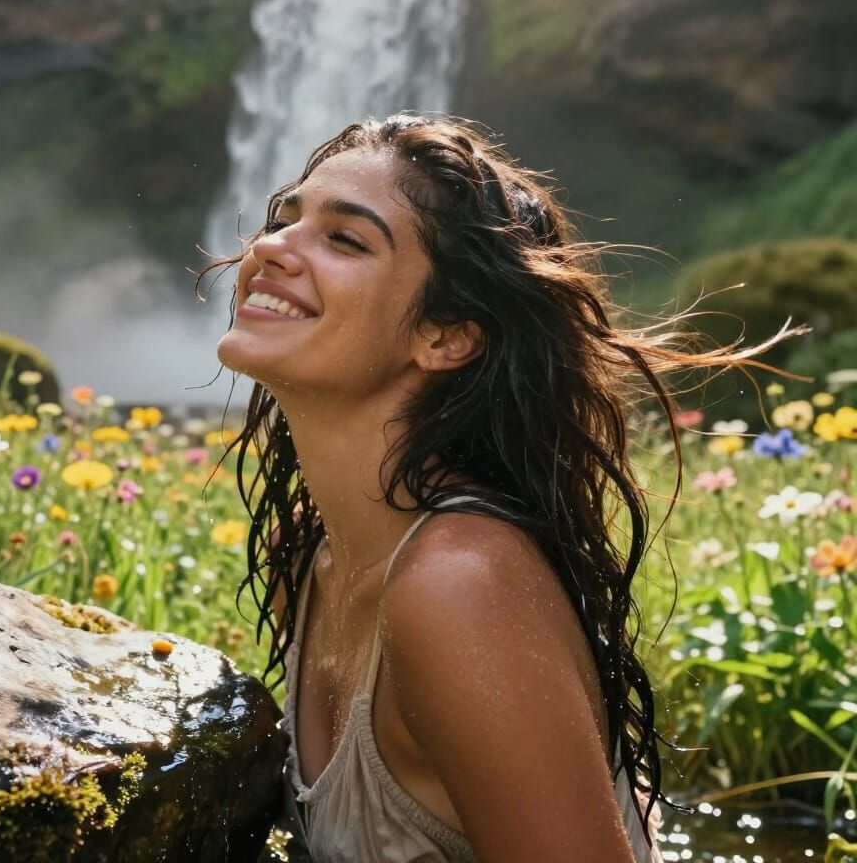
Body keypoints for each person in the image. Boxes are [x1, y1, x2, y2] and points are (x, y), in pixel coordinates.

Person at [207, 114, 795, 863]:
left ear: (447, 336)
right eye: (283, 220)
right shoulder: (315, 551)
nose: (268, 249)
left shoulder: (458, 586)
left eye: (345, 239)